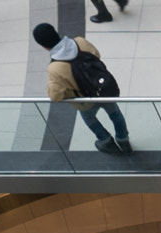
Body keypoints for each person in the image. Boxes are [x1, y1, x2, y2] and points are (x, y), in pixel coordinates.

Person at [33, 24, 130, 154]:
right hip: (103, 90)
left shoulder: (55, 68)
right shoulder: (80, 41)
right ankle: (124, 141)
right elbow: (97, 55)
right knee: (115, 113)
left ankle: (106, 141)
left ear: (43, 46)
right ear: (56, 32)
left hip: (85, 100)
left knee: (89, 119)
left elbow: (55, 96)